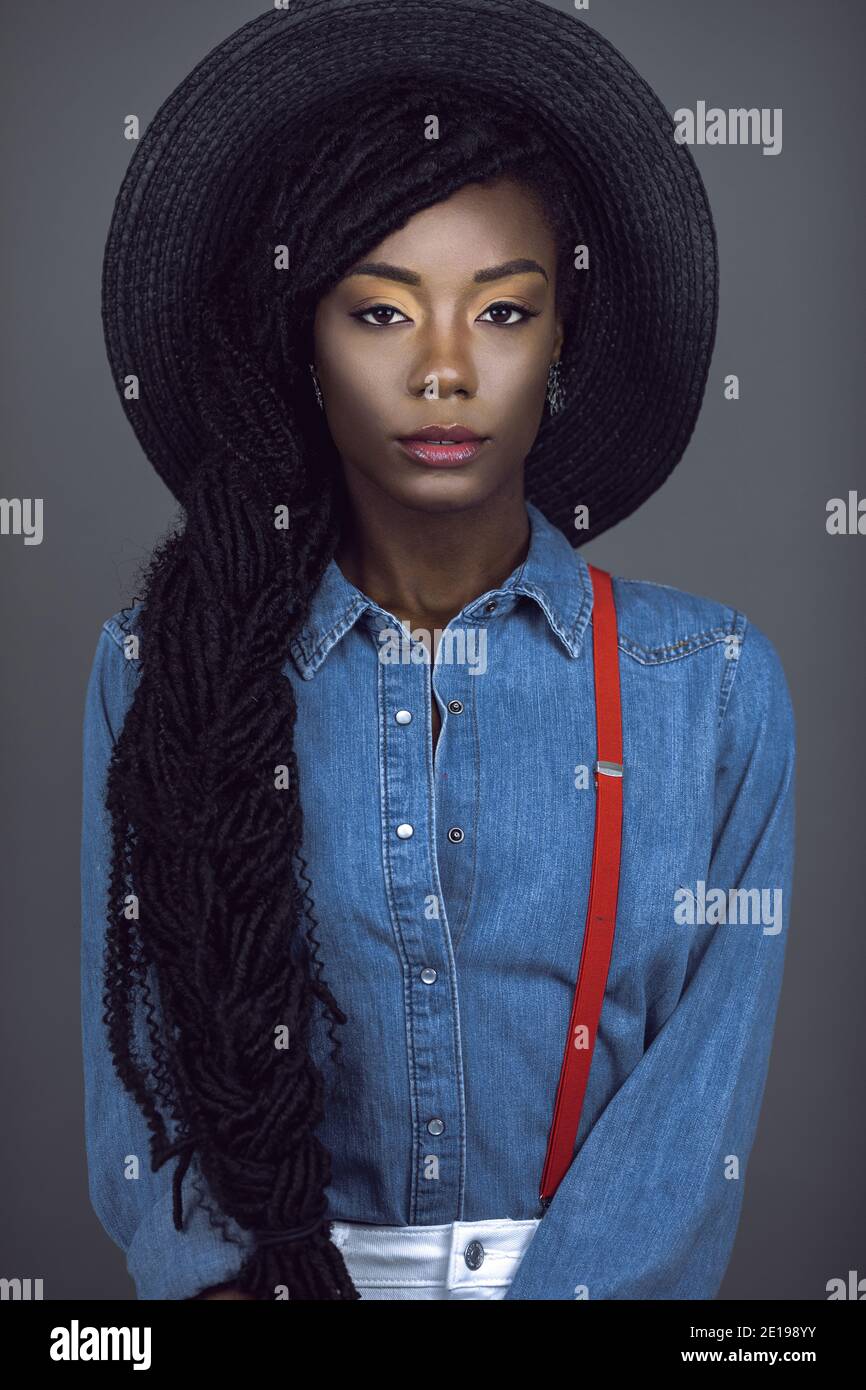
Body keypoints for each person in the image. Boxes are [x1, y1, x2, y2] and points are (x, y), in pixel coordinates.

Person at [82, 0, 796, 1300]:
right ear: (301, 339)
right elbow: (145, 1085)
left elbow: (692, 1119)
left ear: (562, 340)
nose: (445, 371)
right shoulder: (159, 668)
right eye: (379, 313)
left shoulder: (714, 687)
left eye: (504, 313)